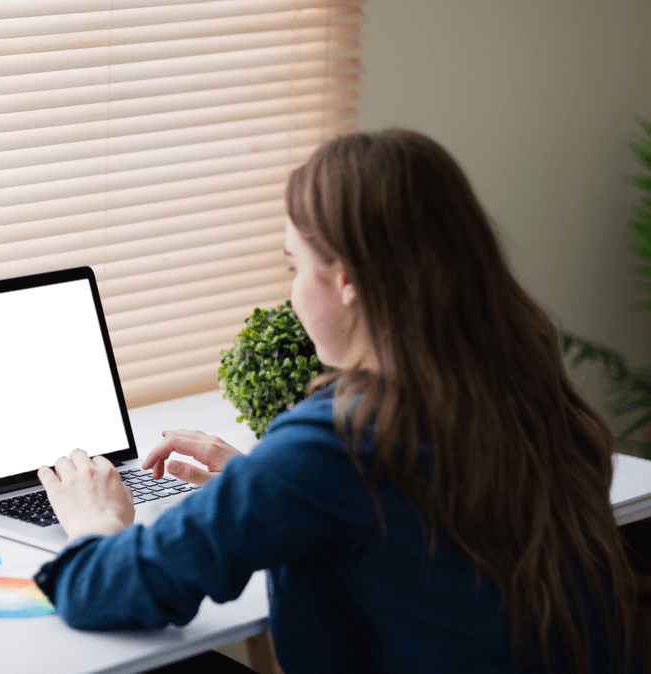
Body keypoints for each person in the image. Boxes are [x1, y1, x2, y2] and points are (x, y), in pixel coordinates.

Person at [32, 129, 647, 674]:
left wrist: (95, 521)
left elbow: (103, 589)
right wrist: (261, 482)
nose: (293, 291)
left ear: (347, 280)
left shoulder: (338, 442)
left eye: (294, 265)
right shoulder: (528, 395)